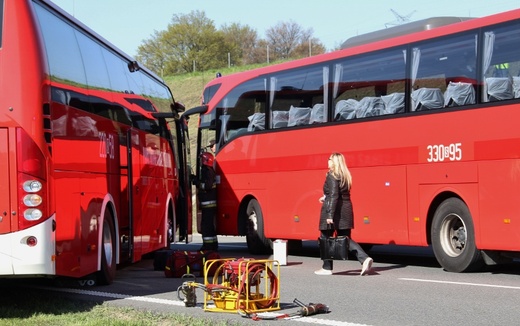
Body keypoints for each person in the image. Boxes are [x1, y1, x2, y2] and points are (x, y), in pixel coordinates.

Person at [315, 152, 373, 276]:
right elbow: (338, 194)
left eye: (329, 159)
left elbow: (335, 195)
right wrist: (325, 197)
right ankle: (364, 258)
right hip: (345, 209)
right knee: (345, 238)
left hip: (334, 210)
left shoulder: (332, 175)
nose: (328, 161)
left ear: (334, 162)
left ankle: (326, 267)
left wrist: (330, 215)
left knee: (325, 237)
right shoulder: (345, 175)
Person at [197, 152, 218, 250]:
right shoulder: (211, 170)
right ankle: (213, 245)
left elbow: (208, 186)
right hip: (209, 204)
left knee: (206, 226)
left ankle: (208, 246)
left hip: (208, 204)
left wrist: (198, 183)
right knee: (209, 226)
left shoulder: (207, 171)